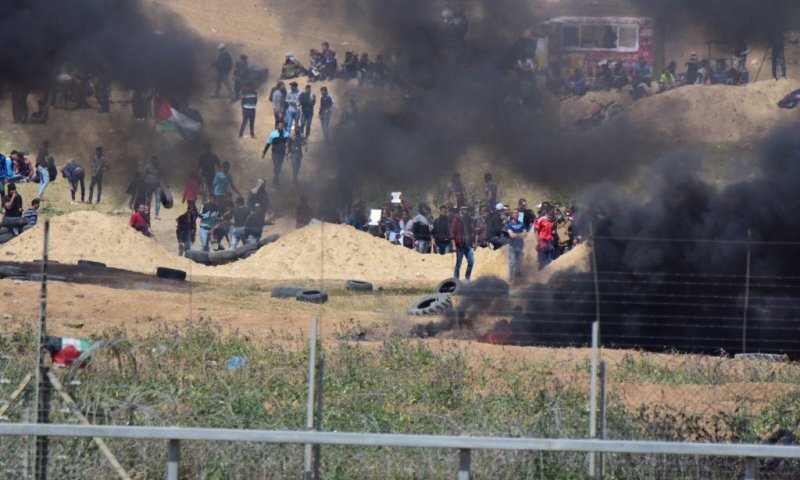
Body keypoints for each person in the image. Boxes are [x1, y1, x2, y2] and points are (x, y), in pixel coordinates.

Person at [451, 205, 475, 281]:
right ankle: (456, 280)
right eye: (464, 209)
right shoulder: (456, 219)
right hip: (460, 244)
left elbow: (471, 232)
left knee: (471, 261)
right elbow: (452, 232)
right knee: (458, 263)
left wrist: (473, 242)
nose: (465, 211)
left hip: (468, 244)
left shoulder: (468, 219)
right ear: (460, 210)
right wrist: (454, 245)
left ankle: (467, 278)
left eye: (466, 209)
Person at [262, 121, 290, 186]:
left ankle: (276, 177)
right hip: (275, 153)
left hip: (282, 153)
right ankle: (276, 179)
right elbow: (268, 144)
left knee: (279, 166)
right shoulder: (273, 134)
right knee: (276, 165)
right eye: (279, 125)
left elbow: (288, 144)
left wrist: (287, 154)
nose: (280, 127)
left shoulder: (286, 134)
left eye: (282, 125)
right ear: (277, 126)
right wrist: (264, 153)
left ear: (283, 127)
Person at [503, 208, 527, 281]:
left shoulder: (522, 224)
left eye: (517, 213)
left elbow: (525, 234)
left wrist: (516, 234)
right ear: (512, 215)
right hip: (512, 246)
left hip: (520, 246)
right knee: (512, 262)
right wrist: (520, 234)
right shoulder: (509, 225)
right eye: (514, 213)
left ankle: (518, 277)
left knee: (520, 262)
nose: (516, 214)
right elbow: (511, 235)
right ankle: (510, 277)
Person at [534, 203, 557, 269]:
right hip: (542, 241)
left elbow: (554, 229)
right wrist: (537, 241)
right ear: (549, 211)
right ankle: (541, 275)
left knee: (551, 259)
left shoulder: (554, 219)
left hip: (550, 241)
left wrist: (554, 233)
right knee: (542, 259)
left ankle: (549, 275)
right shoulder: (541, 219)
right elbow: (536, 231)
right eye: (553, 210)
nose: (554, 212)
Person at [143, 155, 162, 220]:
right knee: (151, 200)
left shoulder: (149, 166)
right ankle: (149, 214)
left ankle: (152, 214)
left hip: (153, 185)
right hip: (151, 185)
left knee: (153, 200)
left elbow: (144, 175)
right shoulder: (149, 166)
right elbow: (144, 174)